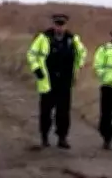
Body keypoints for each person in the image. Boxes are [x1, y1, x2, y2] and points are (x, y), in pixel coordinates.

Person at [26, 13, 87, 149]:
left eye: (62, 25)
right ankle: (44, 137)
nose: (59, 27)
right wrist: (36, 69)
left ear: (66, 25)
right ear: (53, 24)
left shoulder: (73, 39)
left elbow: (82, 53)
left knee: (63, 112)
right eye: (57, 24)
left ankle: (62, 138)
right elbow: (31, 54)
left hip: (65, 81)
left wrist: (78, 67)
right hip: (48, 80)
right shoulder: (43, 38)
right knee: (46, 111)